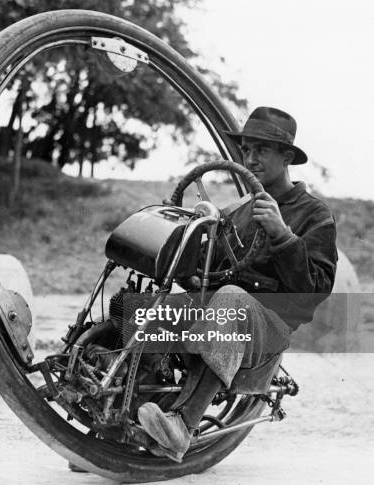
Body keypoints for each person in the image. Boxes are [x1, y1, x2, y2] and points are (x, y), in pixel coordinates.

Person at [137, 107, 338, 462]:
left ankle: (182, 425)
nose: (250, 157)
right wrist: (194, 272)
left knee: (232, 300)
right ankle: (111, 424)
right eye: (246, 149)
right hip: (222, 307)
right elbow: (212, 269)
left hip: (268, 326)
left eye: (261, 149)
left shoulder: (314, 213)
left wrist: (283, 236)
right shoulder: (238, 210)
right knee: (138, 308)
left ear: (287, 156)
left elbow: (314, 295)